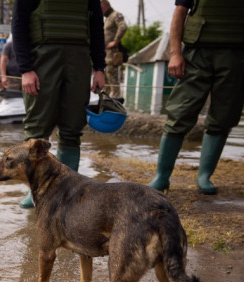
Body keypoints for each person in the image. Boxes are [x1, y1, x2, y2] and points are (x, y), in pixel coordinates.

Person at [11, 0, 106, 207]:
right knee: (37, 129)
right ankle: (35, 191)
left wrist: (100, 67)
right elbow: (18, 24)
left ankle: (67, 192)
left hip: (79, 61)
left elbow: (97, 27)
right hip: (42, 59)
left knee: (72, 128)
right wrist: (25, 69)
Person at [148, 0, 244, 195]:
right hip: (197, 54)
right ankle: (162, 177)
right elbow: (179, 13)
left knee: (223, 117)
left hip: (236, 56)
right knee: (180, 113)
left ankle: (204, 176)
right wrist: (175, 54)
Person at [101, 0, 127, 99]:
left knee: (112, 77)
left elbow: (123, 27)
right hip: (106, 54)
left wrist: (115, 41)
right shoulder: (108, 18)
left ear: (104, 6)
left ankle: (116, 101)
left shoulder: (115, 15)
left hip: (112, 53)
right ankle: (105, 100)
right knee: (106, 78)